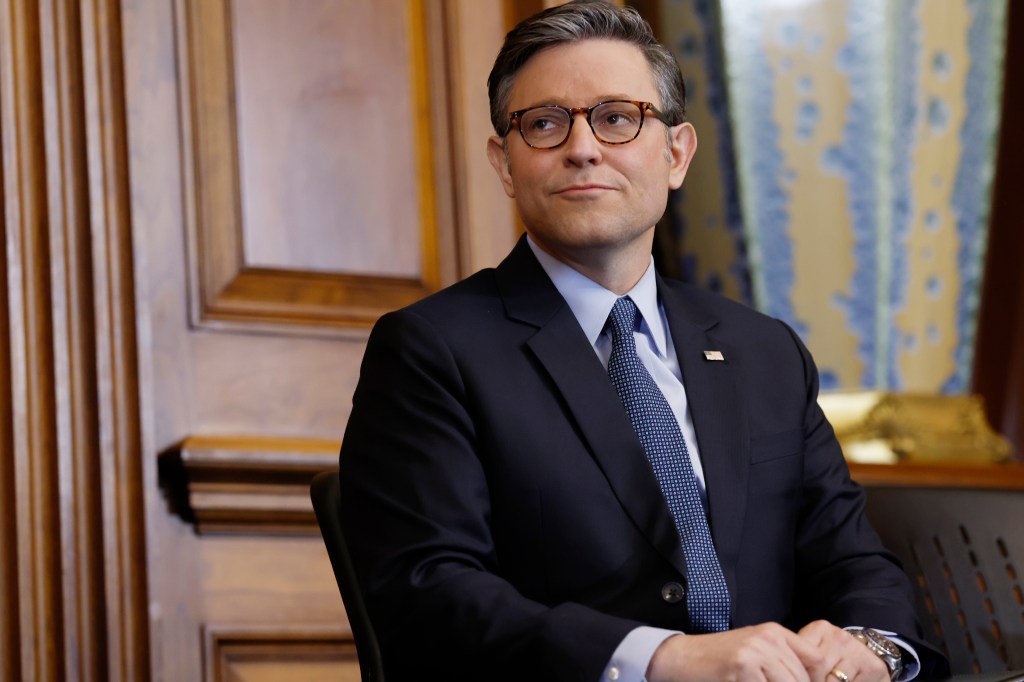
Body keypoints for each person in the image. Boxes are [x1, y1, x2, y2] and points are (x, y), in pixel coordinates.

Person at [338, 2, 949, 680]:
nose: (582, 147)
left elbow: (852, 559)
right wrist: (661, 659)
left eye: (617, 118)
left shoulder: (765, 351)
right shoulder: (432, 350)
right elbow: (427, 591)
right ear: (505, 165)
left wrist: (873, 647)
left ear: (677, 153)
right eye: (544, 124)